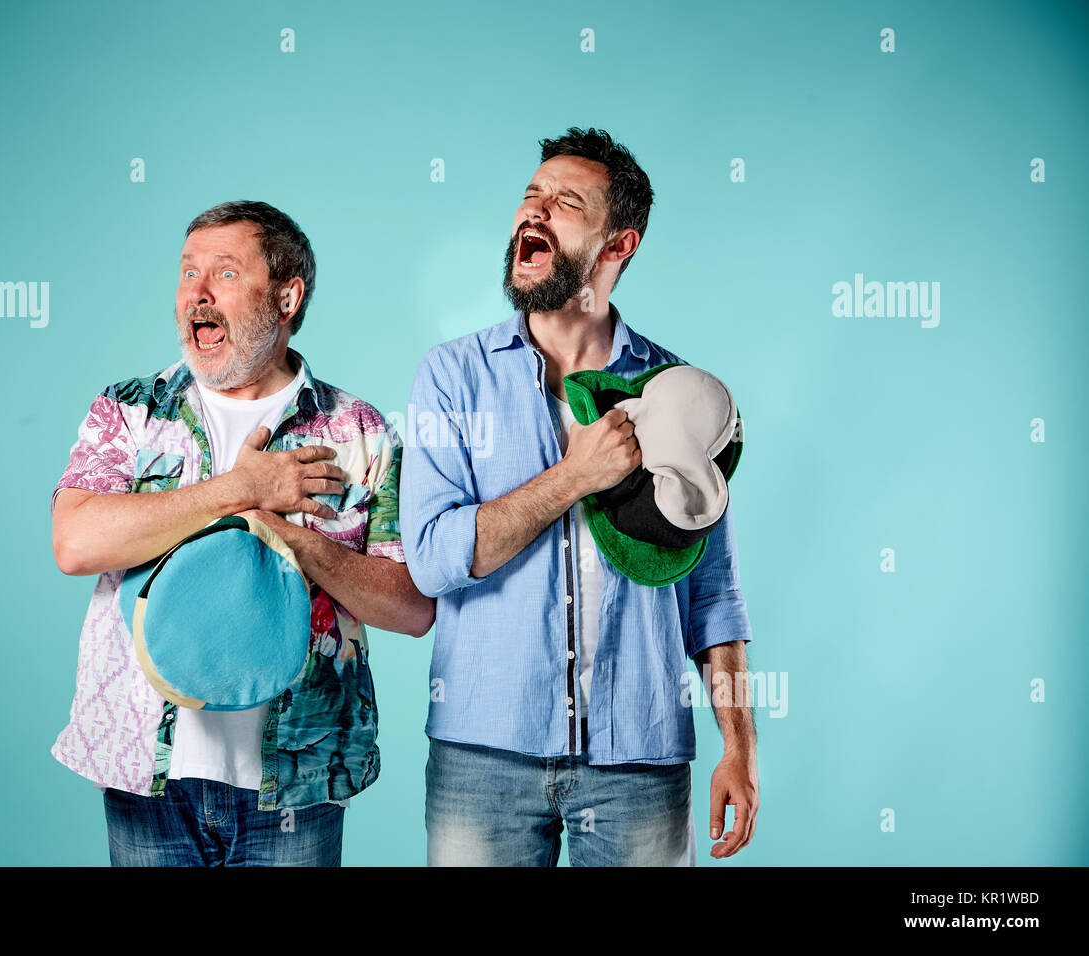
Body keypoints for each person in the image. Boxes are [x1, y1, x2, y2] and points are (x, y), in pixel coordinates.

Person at [399, 128, 759, 866]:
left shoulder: (678, 390)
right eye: (531, 196)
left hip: (642, 758)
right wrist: (575, 476)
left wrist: (740, 747)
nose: (535, 212)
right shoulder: (451, 377)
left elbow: (713, 593)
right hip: (482, 757)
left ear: (618, 244)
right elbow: (433, 563)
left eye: (565, 204)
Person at [50, 200, 434, 866]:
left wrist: (296, 542)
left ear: (286, 297)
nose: (196, 292)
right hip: (148, 775)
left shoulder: (359, 430)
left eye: (224, 274)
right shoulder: (131, 410)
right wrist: (239, 491)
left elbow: (411, 607)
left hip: (296, 784)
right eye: (187, 272)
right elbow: (75, 544)